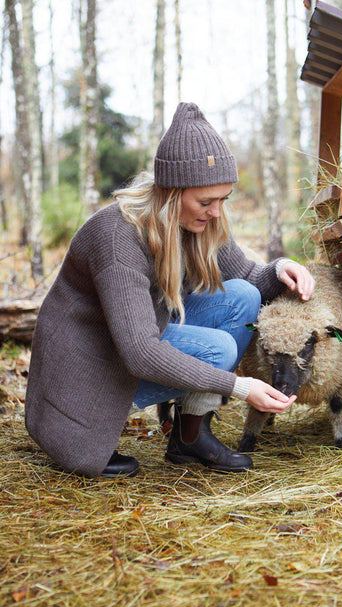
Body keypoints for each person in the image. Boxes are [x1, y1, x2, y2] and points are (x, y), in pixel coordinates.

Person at [25, 102, 314, 478]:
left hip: (130, 340)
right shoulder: (118, 236)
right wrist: (238, 386)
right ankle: (95, 424)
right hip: (85, 369)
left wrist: (282, 268)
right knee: (220, 349)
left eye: (222, 200)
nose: (215, 212)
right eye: (206, 201)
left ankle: (191, 436)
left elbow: (247, 276)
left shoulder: (195, 220)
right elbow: (141, 353)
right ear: (171, 192)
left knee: (242, 296)